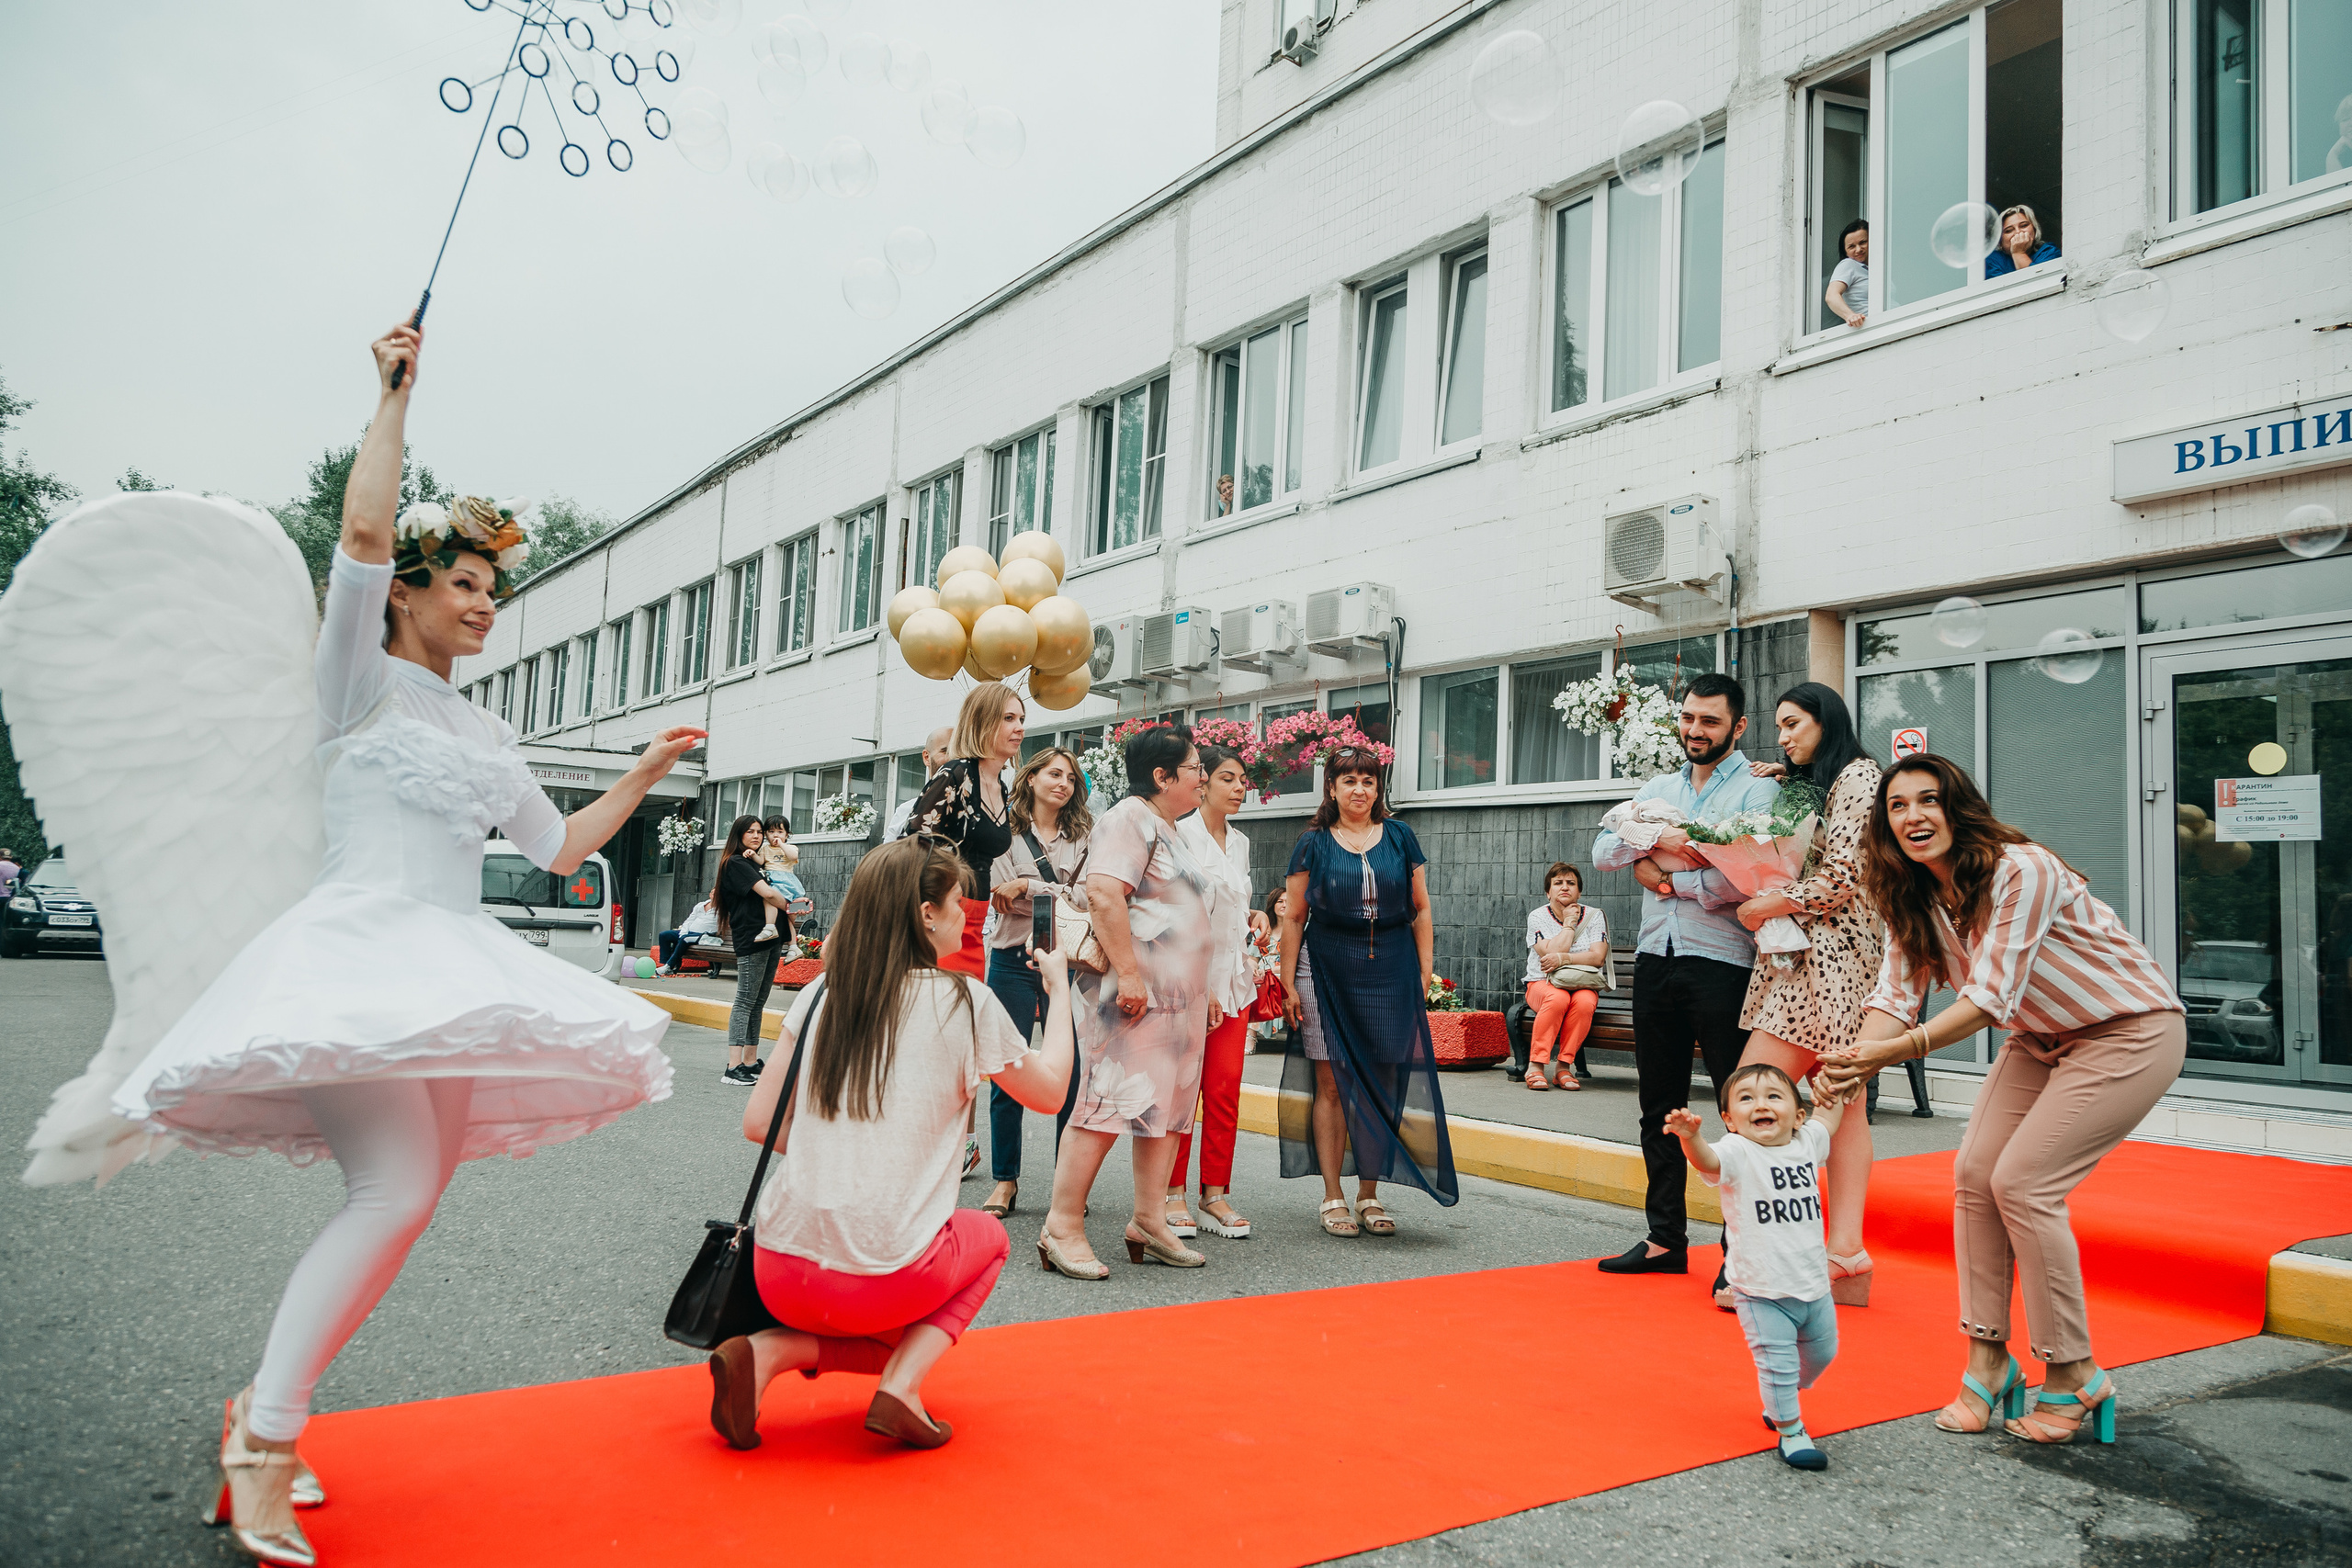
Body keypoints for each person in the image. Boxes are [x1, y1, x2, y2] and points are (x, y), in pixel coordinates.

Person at [33, 321, 694, 1565]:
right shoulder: (355, 678)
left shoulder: (486, 726)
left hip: (441, 967)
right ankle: (265, 1439)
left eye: (496, 590)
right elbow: (362, 539)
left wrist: (646, 774)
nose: (486, 604)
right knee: (390, 1191)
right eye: (465, 584)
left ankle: (262, 1410)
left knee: (407, 1194)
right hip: (353, 957)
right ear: (408, 593)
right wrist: (393, 400)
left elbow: (558, 847)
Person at [1818, 754, 2187, 1446]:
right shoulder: (1909, 892)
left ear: (1959, 808)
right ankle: (1988, 1357)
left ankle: (2075, 1370)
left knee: (2024, 1182)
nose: (1914, 817)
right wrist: (1850, 1064)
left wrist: (1886, 1054)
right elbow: (1894, 996)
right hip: (2040, 1037)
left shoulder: (2023, 867)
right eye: (1898, 807)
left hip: (2129, 1030)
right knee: (1975, 1176)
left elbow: (1990, 998)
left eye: (1929, 801)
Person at [707, 839, 1077, 1451]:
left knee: (896, 1313)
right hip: (880, 1270)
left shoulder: (822, 992)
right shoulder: (963, 1000)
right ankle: (902, 1386)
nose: (966, 915)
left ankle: (765, 1351)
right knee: (987, 1242)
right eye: (959, 901)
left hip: (777, 1265)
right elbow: (1051, 1091)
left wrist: (850, 1143)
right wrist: (1059, 993)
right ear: (926, 912)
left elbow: (759, 1121)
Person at [1594, 672, 1781, 1280]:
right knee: (1658, 1106)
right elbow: (1604, 850)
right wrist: (1665, 836)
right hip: (1655, 959)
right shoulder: (1658, 786)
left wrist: (1668, 876)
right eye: (1688, 718)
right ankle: (1664, 1239)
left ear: (1738, 727)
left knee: (1736, 1109)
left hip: (1723, 962)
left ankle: (1741, 1254)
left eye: (1709, 721)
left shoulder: (1757, 791)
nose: (1695, 730)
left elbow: (1747, 875)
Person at [1036, 725, 1216, 1278]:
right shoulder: (1128, 818)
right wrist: (1132, 976)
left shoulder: (1171, 828)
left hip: (1179, 998)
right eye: (1194, 769)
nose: (1203, 779)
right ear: (1162, 776)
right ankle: (1061, 1225)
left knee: (1167, 1110)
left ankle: (1149, 1219)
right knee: (1106, 1104)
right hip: (1137, 993)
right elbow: (1104, 893)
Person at [1731, 683, 1883, 1307]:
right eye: (1780, 726)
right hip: (1825, 956)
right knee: (1843, 1100)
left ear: (1827, 719)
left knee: (1751, 1090)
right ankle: (1845, 1252)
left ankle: (1764, 1259)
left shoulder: (1859, 776)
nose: (1786, 736)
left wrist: (1770, 900)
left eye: (1794, 724)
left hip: (1829, 958)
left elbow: (1843, 873)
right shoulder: (1833, 777)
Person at [1277, 747, 1456, 1238]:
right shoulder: (1313, 842)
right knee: (1332, 1084)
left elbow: (1420, 909)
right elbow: (1294, 916)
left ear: (1379, 789)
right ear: (1331, 789)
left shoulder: (1400, 836)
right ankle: (1333, 1194)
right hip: (1328, 967)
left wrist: (1424, 972)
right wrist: (1288, 982)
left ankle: (1369, 1193)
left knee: (1380, 1082)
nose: (1359, 789)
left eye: (1368, 781)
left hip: (1392, 970)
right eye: (1349, 780)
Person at [1666, 1063, 1849, 1472]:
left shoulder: (1807, 1142)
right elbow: (1708, 1162)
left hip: (1813, 1285)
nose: (1760, 1104)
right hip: (1761, 1290)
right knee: (1777, 1364)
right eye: (1746, 1098)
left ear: (1798, 1115)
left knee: (1823, 1353)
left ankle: (1781, 1394)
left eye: (1773, 1096)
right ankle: (1790, 1428)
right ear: (1729, 1120)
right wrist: (1691, 1137)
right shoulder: (1737, 1152)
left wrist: (1836, 1091)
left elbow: (1828, 1119)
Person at [978, 746, 1092, 1219]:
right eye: (1053, 773)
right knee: (1009, 1075)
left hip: (1066, 964)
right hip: (1010, 960)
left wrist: (1028, 886)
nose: (1063, 783)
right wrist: (1053, 891)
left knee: (1071, 1075)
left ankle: (1069, 1184)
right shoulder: (1003, 836)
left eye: (1070, 777)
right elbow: (999, 895)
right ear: (1030, 779)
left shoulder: (1084, 837)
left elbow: (1088, 897)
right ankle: (1006, 1181)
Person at [1170, 744, 1268, 1240]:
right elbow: (1180, 918)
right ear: (1201, 781)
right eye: (1228, 778)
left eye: (1243, 778)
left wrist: (1258, 915)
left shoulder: (1242, 841)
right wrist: (1200, 986)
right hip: (1190, 986)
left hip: (1235, 984)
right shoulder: (1177, 836)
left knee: (1225, 1091)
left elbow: (1232, 903)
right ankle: (1171, 1195)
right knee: (1183, 1092)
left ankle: (1214, 1193)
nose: (1239, 787)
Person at [900, 687, 1023, 980]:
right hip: (946, 918)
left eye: (1021, 718)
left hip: (976, 919)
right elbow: (915, 841)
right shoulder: (956, 773)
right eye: (1008, 718)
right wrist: (945, 898)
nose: (1019, 727)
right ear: (982, 722)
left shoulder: (1001, 786)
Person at [714, 814, 789, 1086]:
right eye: (750, 832)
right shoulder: (735, 863)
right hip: (753, 937)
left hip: (771, 938)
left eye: (760, 832)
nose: (757, 836)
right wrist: (791, 906)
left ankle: (750, 1060)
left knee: (758, 1002)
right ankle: (733, 1067)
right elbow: (768, 894)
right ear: (739, 835)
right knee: (746, 1000)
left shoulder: (755, 861)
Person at [1522, 862, 1608, 1092]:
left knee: (1585, 1001)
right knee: (1558, 998)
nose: (1565, 887)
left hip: (1582, 983)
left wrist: (1564, 959)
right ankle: (1536, 1065)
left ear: (1579, 891)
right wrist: (1569, 923)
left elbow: (1598, 957)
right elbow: (1546, 954)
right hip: (1541, 983)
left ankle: (1563, 1067)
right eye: (1558, 883)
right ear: (1548, 891)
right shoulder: (1538, 916)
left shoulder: (1594, 916)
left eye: (1571, 883)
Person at [883, 727, 954, 841]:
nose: (954, 758)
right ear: (926, 757)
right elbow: (887, 858)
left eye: (959, 752)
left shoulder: (977, 811)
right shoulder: (906, 811)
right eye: (946, 751)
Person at [752, 814, 807, 943]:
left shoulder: (790, 847)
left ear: (787, 835)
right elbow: (760, 861)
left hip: (785, 881)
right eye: (771, 832)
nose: (775, 835)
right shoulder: (765, 848)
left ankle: (771, 928)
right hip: (772, 878)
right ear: (766, 834)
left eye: (780, 832)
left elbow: (793, 857)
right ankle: (792, 945)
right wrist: (753, 854)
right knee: (785, 913)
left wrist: (781, 844)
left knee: (770, 899)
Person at [1983, 204, 2059, 278]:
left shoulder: (2048, 251)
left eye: (2024, 225)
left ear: (2034, 230)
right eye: (2009, 230)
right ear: (2000, 241)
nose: (2018, 232)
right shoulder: (1992, 260)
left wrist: (2019, 253)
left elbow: (2040, 283)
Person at [654, 897, 719, 974]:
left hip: (704, 935)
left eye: (717, 893)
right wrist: (683, 932)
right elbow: (689, 920)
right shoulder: (700, 905)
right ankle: (666, 964)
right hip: (689, 932)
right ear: (710, 894)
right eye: (713, 893)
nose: (714, 895)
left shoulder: (721, 908)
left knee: (685, 939)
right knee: (664, 935)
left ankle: (669, 966)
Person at [1826, 219, 1869, 329]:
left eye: (1863, 242)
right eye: (1851, 246)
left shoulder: (1878, 269)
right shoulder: (1848, 264)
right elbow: (1831, 296)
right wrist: (1850, 316)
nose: (1858, 249)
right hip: (1868, 326)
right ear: (1845, 251)